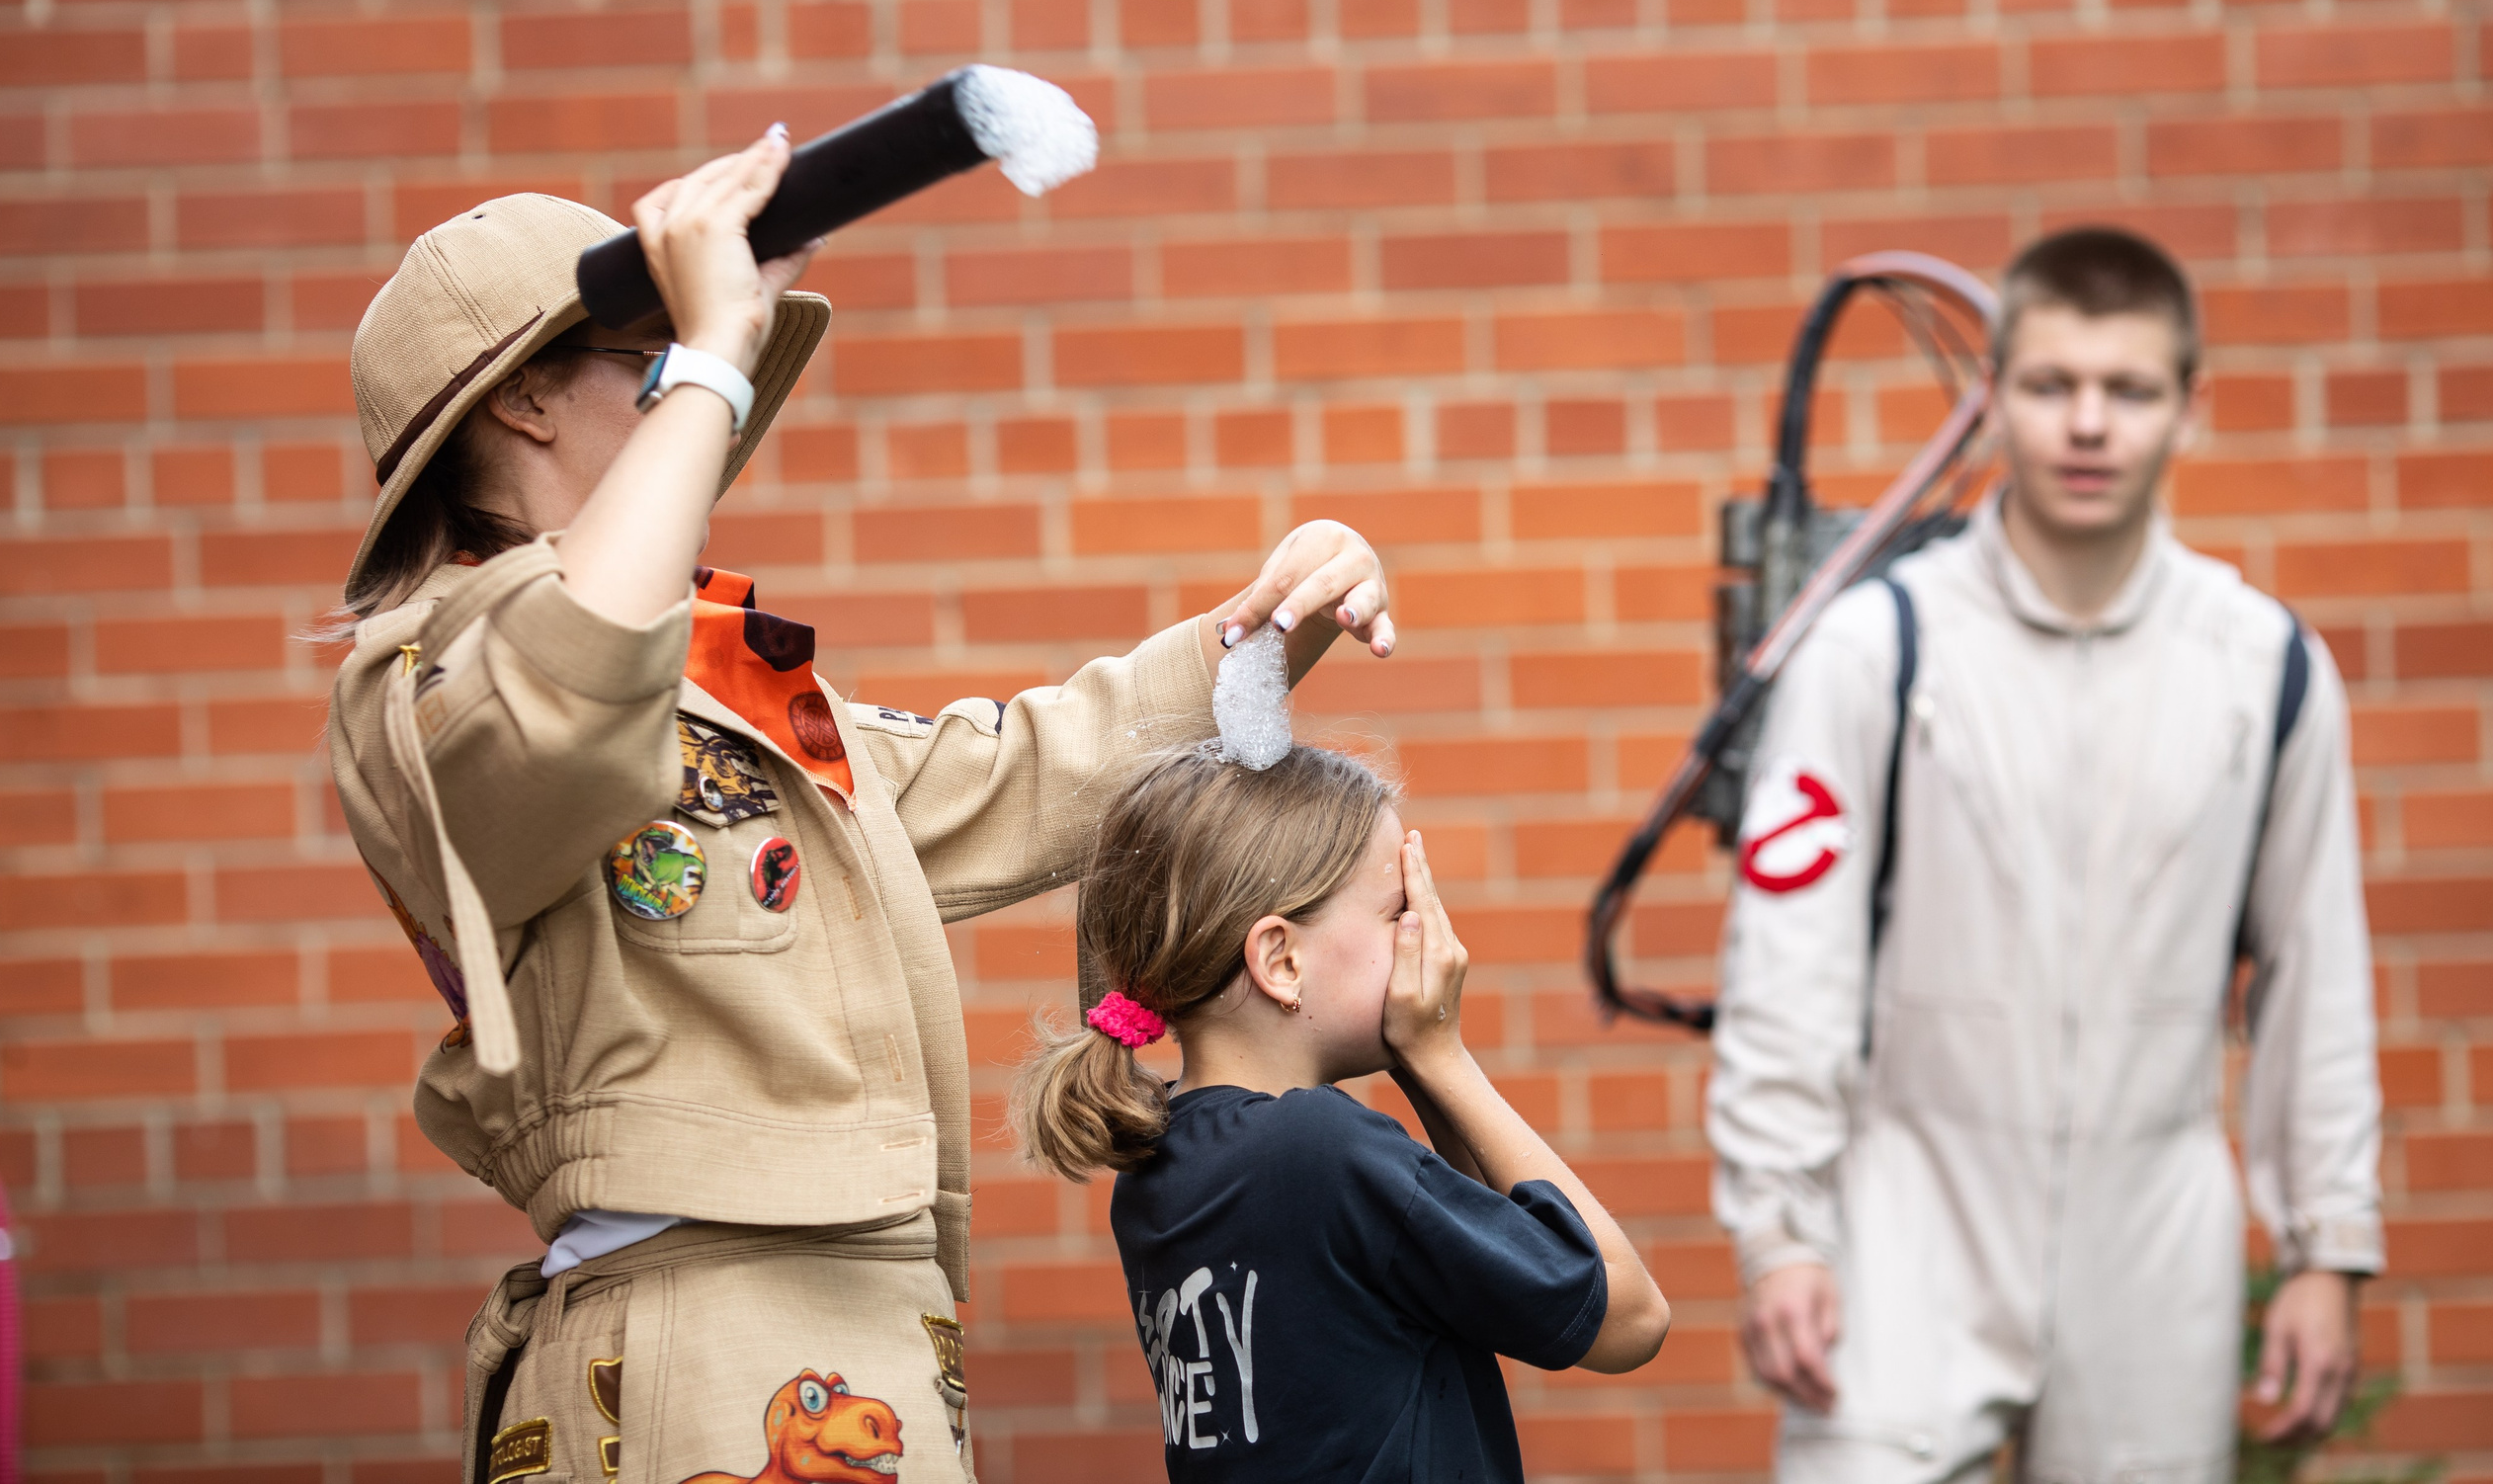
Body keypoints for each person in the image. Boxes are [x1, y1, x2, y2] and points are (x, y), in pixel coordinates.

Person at [325, 124, 1401, 1482]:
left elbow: (1020, 771)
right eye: (647, 369)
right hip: (696, 1333)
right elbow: (570, 679)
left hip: (854, 1334)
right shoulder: (430, 678)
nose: (692, 411)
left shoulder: (717, 683)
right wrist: (716, 349)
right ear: (528, 402)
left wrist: (1266, 626)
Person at [1706, 227, 2382, 1482]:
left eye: (2128, 390)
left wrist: (2324, 1245)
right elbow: (1784, 964)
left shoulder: (2267, 667)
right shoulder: (1870, 651)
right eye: (2049, 384)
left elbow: (2316, 974)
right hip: (1905, 1224)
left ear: (2188, 408)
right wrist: (1780, 1233)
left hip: (2155, 1238)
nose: (2087, 424)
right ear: (1994, 394)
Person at [1013, 745, 1672, 1482]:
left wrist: (1418, 1055)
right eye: (1401, 911)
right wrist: (1442, 1054)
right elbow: (1626, 1316)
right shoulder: (1320, 1147)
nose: (1434, 939)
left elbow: (1508, 1256)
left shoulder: (1163, 1165)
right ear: (1282, 960)